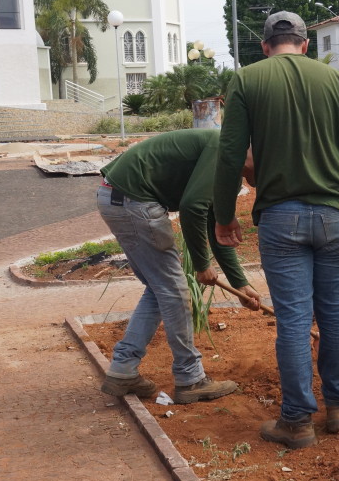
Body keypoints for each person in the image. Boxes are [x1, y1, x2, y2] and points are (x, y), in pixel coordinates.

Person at [213, 11, 339, 449]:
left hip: (280, 218)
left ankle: (297, 422)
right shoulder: (335, 82)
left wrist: (225, 216)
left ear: (265, 46)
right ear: (305, 44)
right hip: (336, 215)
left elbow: (229, 155)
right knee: (335, 314)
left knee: (294, 322)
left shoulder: (247, 80)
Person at [97, 128, 261, 402]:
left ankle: (123, 369)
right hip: (133, 199)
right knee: (174, 290)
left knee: (160, 288)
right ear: (253, 151)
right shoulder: (222, 148)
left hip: (118, 197)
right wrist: (201, 264)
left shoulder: (230, 172)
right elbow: (193, 207)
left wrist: (240, 283)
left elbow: (216, 225)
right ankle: (190, 378)